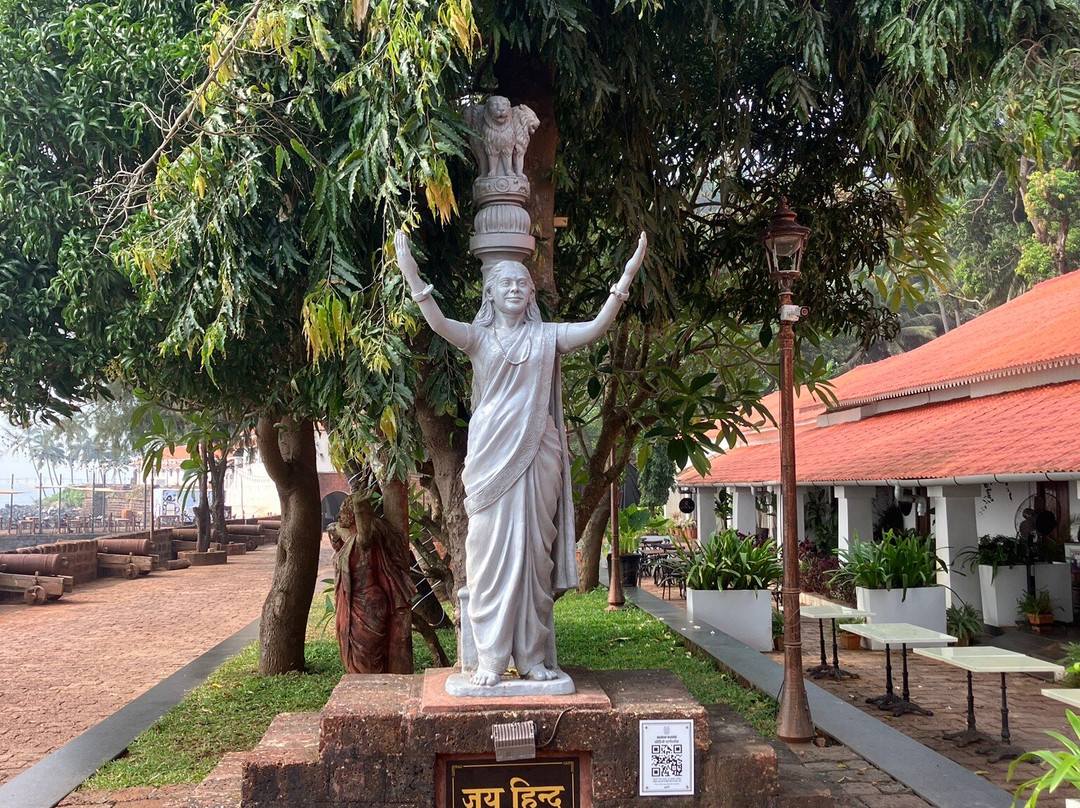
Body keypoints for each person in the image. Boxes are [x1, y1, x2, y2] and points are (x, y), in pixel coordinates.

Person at [395, 231, 647, 686]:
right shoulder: (478, 338)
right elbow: (438, 324)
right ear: (490, 294)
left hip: (537, 457)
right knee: (488, 556)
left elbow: (593, 330)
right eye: (505, 284)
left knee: (535, 558)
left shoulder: (546, 336)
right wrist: (413, 275)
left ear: (531, 295)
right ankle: (491, 658)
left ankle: (531, 657)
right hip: (491, 459)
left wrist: (624, 280)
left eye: (522, 284)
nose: (514, 289)